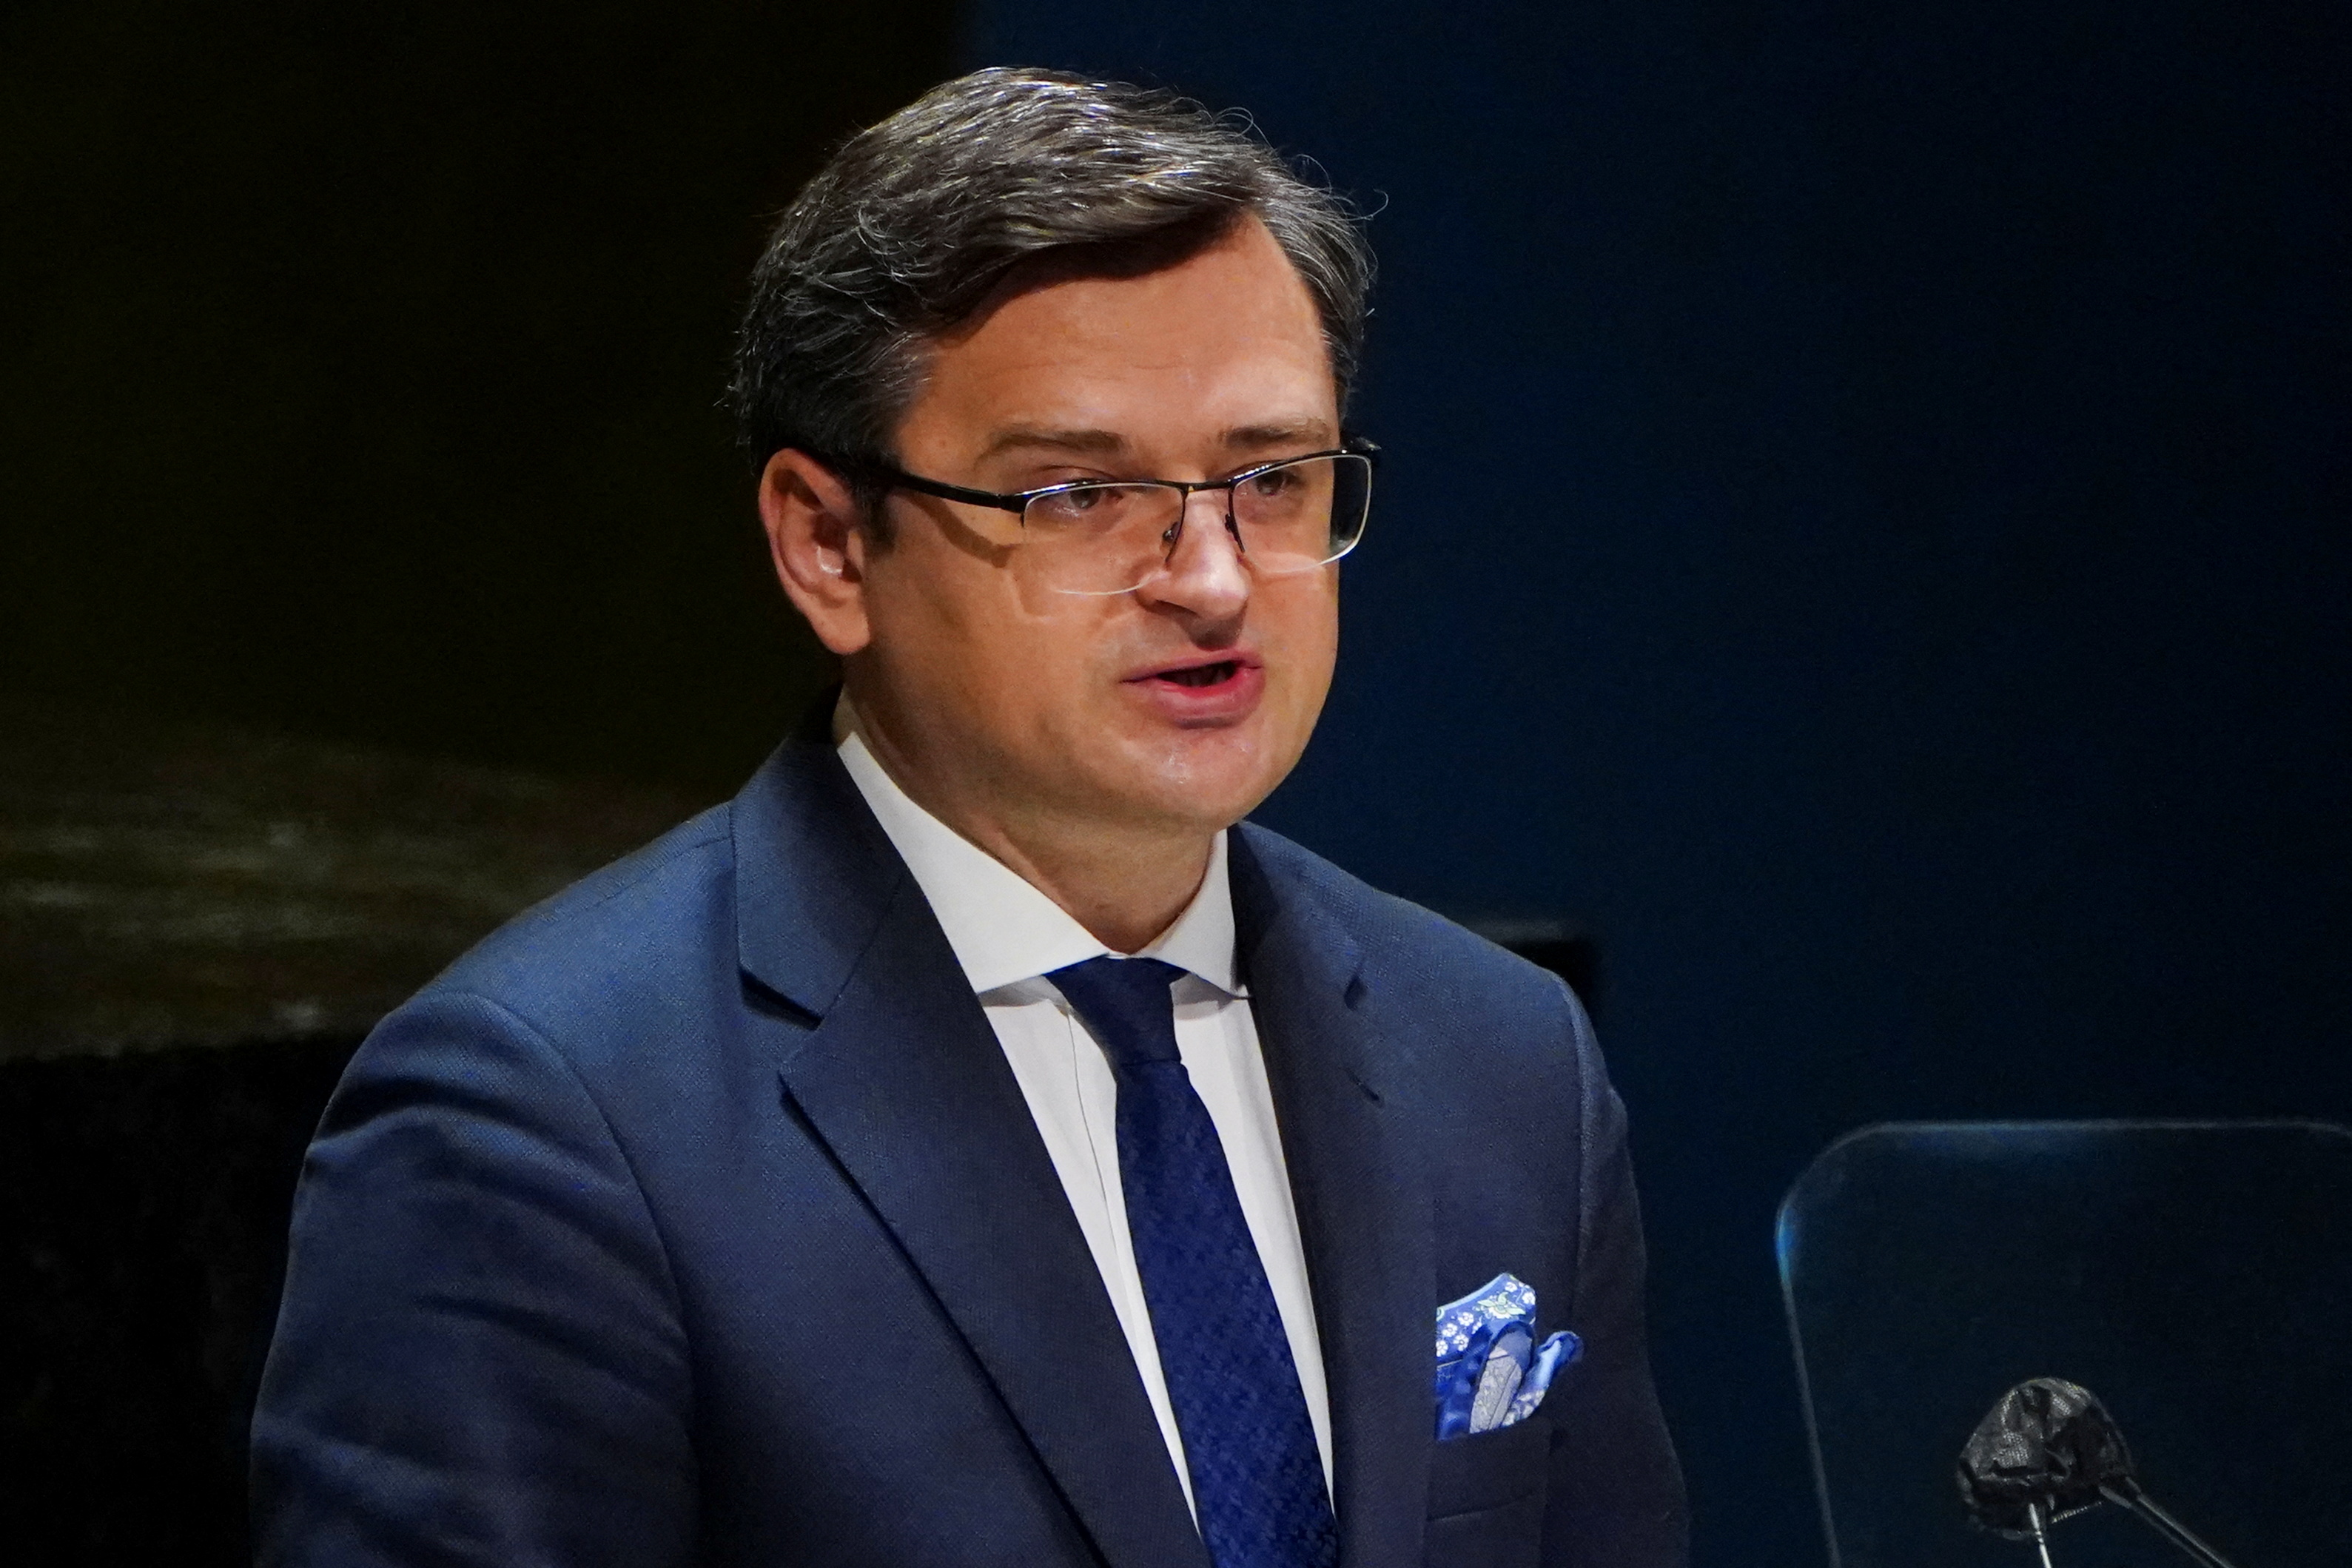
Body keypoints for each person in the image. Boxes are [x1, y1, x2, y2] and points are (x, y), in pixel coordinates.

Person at [252, 67, 1686, 1568]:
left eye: (1268, 478)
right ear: (825, 546)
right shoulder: (542, 1127)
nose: (1208, 577)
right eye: (1076, 493)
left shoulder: (1501, 1062)